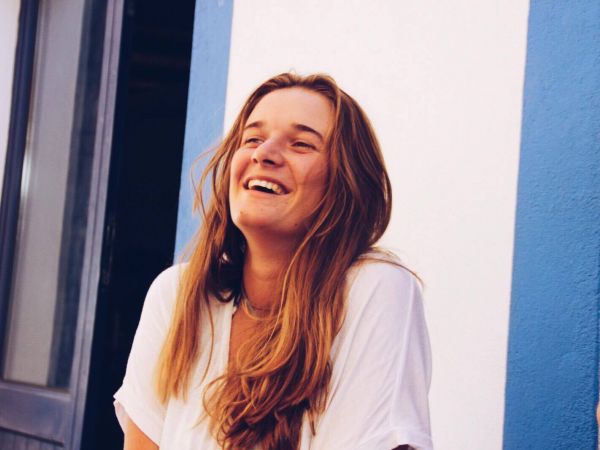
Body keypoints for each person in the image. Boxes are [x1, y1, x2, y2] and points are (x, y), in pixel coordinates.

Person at [114, 73, 433, 450]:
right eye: (252, 139)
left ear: (345, 183)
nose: (264, 153)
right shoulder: (177, 295)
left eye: (302, 144)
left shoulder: (377, 289)